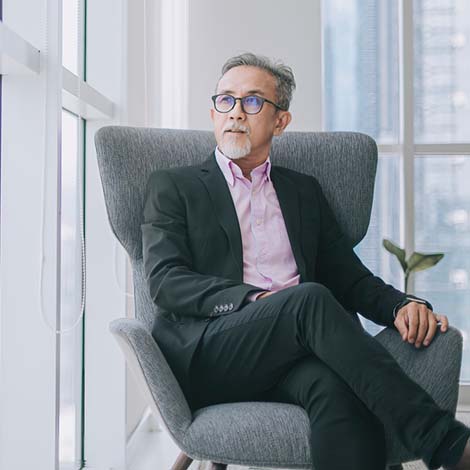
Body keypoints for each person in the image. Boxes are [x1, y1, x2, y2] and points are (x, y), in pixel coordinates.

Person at [141, 52, 470, 470]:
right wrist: (253, 301)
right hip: (213, 352)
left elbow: (349, 277)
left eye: (253, 102)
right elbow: (166, 280)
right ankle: (448, 445)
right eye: (226, 100)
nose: (236, 113)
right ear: (212, 112)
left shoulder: (302, 192)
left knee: (340, 393)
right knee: (308, 300)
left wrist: (401, 305)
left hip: (295, 354)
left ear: (281, 121)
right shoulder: (175, 186)